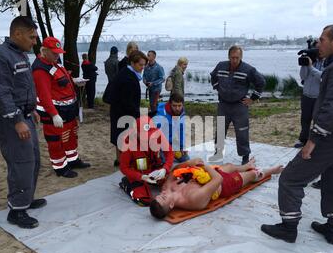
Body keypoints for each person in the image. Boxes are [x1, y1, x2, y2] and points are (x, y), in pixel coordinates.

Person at [261, 24, 333, 245]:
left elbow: (332, 107)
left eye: (322, 40)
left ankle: (288, 227)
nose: (319, 44)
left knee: (291, 178)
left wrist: (313, 140)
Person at [0, 16, 45, 229]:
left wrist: (33, 109)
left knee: (34, 160)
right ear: (17, 34)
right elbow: (1, 92)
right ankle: (17, 210)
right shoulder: (0, 55)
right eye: (31, 37)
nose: (34, 42)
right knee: (21, 162)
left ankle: (26, 198)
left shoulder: (20, 54)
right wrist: (17, 120)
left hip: (26, 115)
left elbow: (24, 85)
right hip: (12, 120)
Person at [32, 36, 91, 178]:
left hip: (68, 109)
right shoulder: (40, 70)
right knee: (56, 141)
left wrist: (74, 82)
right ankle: (60, 167)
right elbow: (44, 95)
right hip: (56, 112)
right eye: (54, 52)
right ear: (44, 51)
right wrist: (53, 114)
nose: (57, 55)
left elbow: (62, 82)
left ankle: (72, 160)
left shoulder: (55, 63)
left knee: (71, 136)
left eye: (58, 52)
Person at [149, 157, 283, 219]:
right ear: (171, 204)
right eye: (164, 198)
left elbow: (174, 170)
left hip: (206, 175)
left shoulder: (166, 188)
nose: (162, 194)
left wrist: (189, 163)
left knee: (230, 166)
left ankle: (247, 164)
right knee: (251, 174)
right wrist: (205, 166)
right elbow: (218, 179)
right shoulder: (192, 199)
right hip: (222, 185)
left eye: (160, 196)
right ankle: (271, 171)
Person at [209, 45, 266, 165]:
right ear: (228, 56)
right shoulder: (221, 65)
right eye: (232, 57)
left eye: (237, 58)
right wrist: (217, 87)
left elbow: (261, 82)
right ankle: (218, 153)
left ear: (241, 57)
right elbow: (213, 76)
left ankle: (245, 156)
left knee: (242, 131)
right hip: (223, 105)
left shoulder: (248, 69)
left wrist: (253, 99)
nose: (234, 60)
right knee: (220, 129)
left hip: (239, 106)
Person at [119, 116, 174, 206]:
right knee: (143, 201)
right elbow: (123, 167)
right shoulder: (128, 144)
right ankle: (126, 183)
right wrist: (141, 177)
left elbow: (170, 153)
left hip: (154, 168)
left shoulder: (157, 134)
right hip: (138, 172)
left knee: (172, 183)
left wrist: (165, 169)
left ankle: (155, 178)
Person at [110, 50, 148, 167]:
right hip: (124, 113)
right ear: (132, 63)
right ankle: (125, 163)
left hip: (118, 111)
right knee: (127, 139)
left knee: (120, 137)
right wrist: (138, 115)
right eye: (140, 65)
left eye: (144, 65)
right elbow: (128, 101)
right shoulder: (128, 78)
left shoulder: (125, 72)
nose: (142, 68)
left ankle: (120, 161)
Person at [294, 48, 325, 149]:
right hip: (307, 95)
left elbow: (323, 77)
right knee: (305, 119)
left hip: (319, 96)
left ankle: (316, 141)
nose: (319, 52)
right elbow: (303, 77)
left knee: (317, 120)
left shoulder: (328, 62)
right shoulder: (310, 61)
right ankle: (303, 139)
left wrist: (311, 67)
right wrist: (305, 65)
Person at [155, 93, 189, 163]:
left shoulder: (182, 113)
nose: (177, 108)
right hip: (159, 145)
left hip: (170, 143)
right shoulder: (161, 115)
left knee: (185, 158)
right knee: (163, 162)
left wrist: (182, 147)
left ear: (182, 104)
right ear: (170, 104)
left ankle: (171, 154)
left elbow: (181, 131)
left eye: (179, 106)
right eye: (174, 106)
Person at [143, 50, 165, 116]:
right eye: (147, 55)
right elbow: (144, 75)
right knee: (151, 103)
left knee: (153, 104)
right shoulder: (146, 67)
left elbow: (163, 79)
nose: (147, 56)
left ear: (154, 57)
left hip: (157, 89)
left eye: (149, 55)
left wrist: (153, 83)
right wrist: (144, 80)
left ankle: (155, 118)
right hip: (150, 88)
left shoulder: (159, 67)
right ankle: (156, 115)